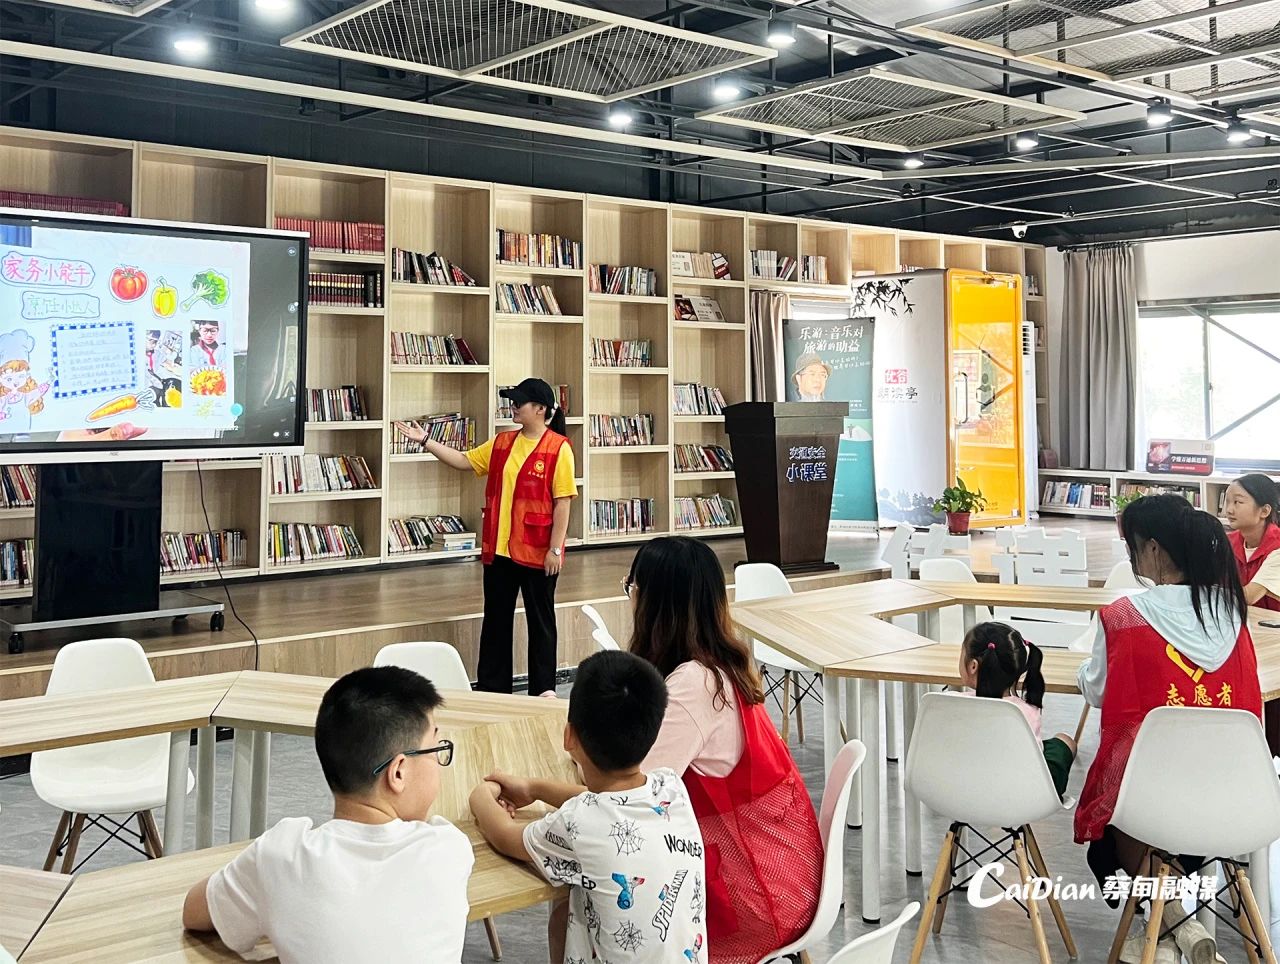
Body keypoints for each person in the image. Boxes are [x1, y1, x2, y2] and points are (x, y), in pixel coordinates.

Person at [1075, 495, 1260, 964]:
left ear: (1154, 549)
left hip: (1150, 802)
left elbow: (1095, 690)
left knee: (1124, 803)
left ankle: (1164, 924)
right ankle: (1176, 924)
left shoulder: (1123, 616)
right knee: (1159, 796)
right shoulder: (1233, 613)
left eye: (1132, 547)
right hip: (1234, 797)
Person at [181, 667, 473, 963]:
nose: (439, 761)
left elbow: (194, 911)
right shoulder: (448, 849)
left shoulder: (280, 855)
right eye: (435, 749)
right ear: (398, 772)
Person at [626, 536, 822, 964]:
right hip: (780, 871)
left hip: (752, 894)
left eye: (633, 588)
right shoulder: (721, 666)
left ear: (655, 604)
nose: (631, 600)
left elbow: (631, 795)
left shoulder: (694, 686)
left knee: (594, 891)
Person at [470, 650, 706, 964]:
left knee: (564, 903)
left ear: (569, 737)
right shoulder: (671, 788)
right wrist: (534, 788)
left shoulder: (577, 823)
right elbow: (606, 802)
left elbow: (503, 835)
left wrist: (481, 793)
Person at [394, 377, 576, 697]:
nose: (513, 406)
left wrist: (555, 549)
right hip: (499, 551)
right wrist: (426, 441)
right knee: (495, 621)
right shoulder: (502, 442)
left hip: (538, 552)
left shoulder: (558, 448)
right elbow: (464, 461)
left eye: (519, 402)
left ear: (540, 409)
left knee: (541, 622)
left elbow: (563, 502)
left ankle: (543, 690)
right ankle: (493, 689)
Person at [957, 621, 1076, 798]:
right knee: (1065, 741)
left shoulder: (947, 704)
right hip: (1022, 795)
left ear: (973, 666)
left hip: (960, 788)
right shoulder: (1025, 711)